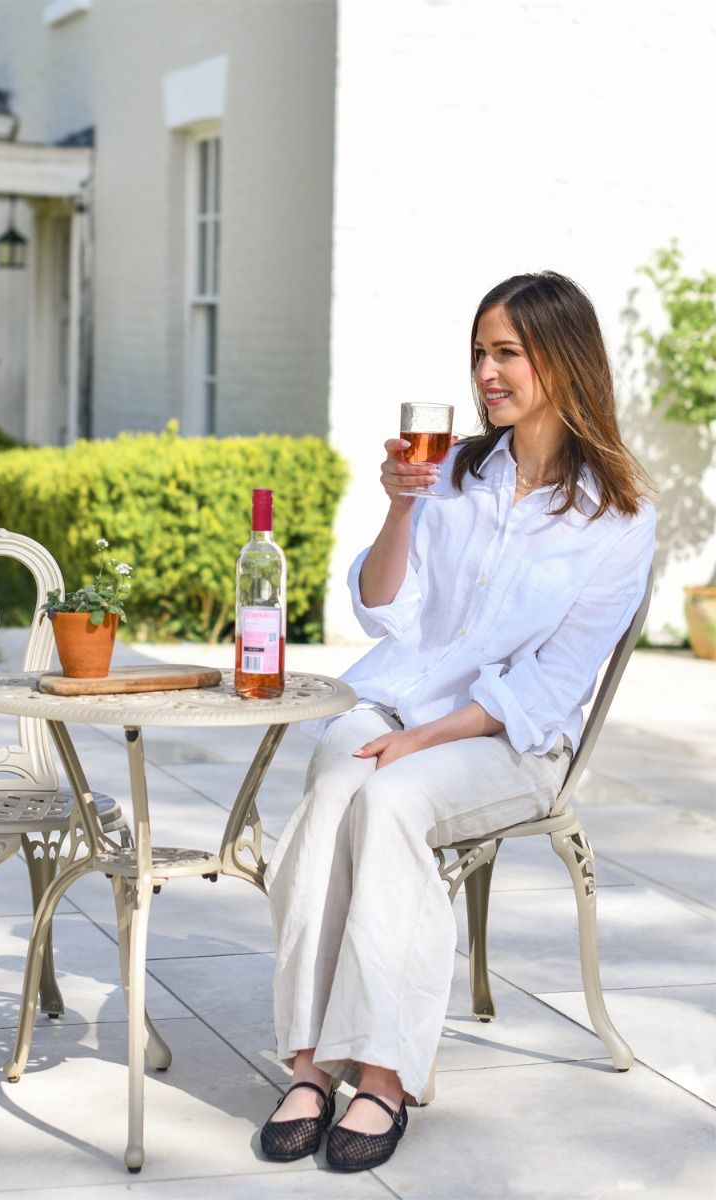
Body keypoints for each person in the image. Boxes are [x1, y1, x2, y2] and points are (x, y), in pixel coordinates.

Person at [259, 271, 655, 1172]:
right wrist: (402, 505)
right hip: (403, 700)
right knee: (335, 772)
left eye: (506, 352)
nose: (485, 371)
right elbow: (381, 608)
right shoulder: (457, 475)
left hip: (509, 743)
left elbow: (549, 689)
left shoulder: (616, 518)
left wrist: (425, 739)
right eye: (479, 352)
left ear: (563, 360)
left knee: (394, 796)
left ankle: (387, 1076)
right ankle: (311, 1063)